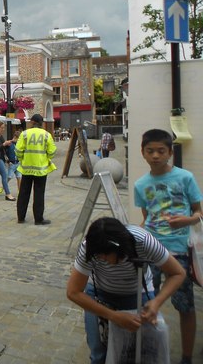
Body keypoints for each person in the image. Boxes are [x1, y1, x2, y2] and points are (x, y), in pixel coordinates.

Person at [66, 217, 185, 364]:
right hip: (100, 293)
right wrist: (113, 316)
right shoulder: (90, 247)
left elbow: (178, 273)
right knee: (99, 353)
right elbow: (73, 292)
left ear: (118, 248)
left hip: (137, 293)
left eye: (105, 255)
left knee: (140, 351)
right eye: (98, 256)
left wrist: (156, 302)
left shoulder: (143, 240)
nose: (101, 258)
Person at [134, 128, 202, 364]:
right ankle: (150, 351)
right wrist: (140, 231)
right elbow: (147, 216)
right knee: (148, 301)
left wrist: (187, 220)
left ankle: (186, 357)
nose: (155, 156)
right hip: (152, 250)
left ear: (170, 152)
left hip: (180, 251)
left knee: (185, 306)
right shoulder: (140, 184)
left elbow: (199, 212)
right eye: (150, 151)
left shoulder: (185, 178)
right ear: (142, 152)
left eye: (161, 151)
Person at [15, 114, 56, 224]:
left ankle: (20, 217)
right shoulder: (47, 135)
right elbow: (52, 151)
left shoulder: (24, 134)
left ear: (32, 122)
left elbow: (18, 150)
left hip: (26, 168)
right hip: (41, 169)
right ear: (41, 123)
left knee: (23, 193)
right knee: (39, 194)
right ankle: (38, 219)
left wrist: (22, 159)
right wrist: (46, 158)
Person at [0, 128, 22, 196]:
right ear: (15, 137)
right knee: (9, 177)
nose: (19, 140)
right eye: (18, 139)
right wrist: (8, 161)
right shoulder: (9, 144)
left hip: (18, 163)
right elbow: (5, 153)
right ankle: (2, 187)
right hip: (12, 163)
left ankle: (19, 191)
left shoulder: (18, 144)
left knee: (19, 177)